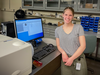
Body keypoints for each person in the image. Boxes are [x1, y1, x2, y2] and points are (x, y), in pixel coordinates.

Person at [55, 7, 87, 75]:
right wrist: (63, 53)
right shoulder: (57, 30)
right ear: (63, 15)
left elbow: (83, 46)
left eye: (70, 15)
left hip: (78, 59)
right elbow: (58, 45)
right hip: (66, 60)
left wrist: (71, 59)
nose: (68, 17)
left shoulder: (79, 28)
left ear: (73, 16)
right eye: (66, 14)